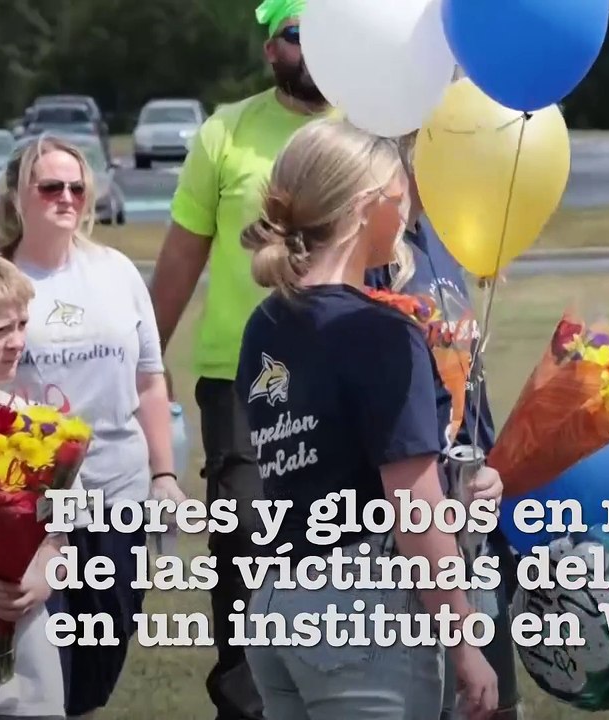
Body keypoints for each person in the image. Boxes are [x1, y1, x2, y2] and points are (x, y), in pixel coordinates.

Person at [234, 117, 498, 719]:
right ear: (363, 207)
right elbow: (412, 506)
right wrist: (464, 644)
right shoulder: (380, 332)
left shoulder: (266, 324)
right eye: (397, 188)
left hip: (279, 601)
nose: (407, 201)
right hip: (361, 608)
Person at [146, 1, 334, 716]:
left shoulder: (372, 128)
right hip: (240, 378)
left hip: (344, 371)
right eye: (296, 35)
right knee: (248, 537)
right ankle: (246, 702)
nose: (311, 50)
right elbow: (179, 260)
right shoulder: (226, 132)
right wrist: (141, 364)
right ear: (269, 49)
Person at [0, 135, 178, 719]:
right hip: (27, 508)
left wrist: (164, 474)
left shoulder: (116, 271)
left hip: (117, 496)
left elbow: (150, 379)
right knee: (42, 656)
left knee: (102, 651)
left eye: (76, 186)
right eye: (50, 186)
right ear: (18, 196)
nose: (66, 197)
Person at [364, 140, 521, 720]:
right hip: (407, 515)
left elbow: (468, 380)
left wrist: (493, 466)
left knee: (494, 701)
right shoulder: (377, 254)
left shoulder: (445, 245)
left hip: (469, 511)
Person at [0, 248, 68, 720]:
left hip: (25, 642)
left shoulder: (35, 427)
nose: (16, 342)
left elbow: (60, 533)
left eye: (22, 326)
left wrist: (45, 574)